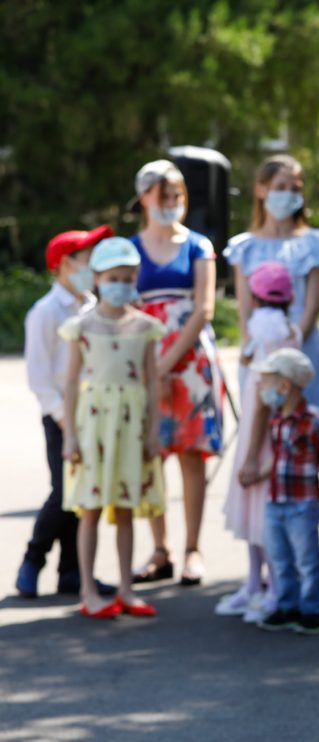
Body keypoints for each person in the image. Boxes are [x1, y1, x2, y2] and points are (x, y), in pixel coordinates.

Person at [60, 237, 165, 618]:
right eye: (112, 278)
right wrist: (70, 436)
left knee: (125, 508)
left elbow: (153, 382)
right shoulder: (82, 326)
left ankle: (126, 588)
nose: (120, 285)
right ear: (97, 279)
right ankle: (88, 590)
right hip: (95, 425)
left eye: (127, 278)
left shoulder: (145, 327)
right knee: (90, 509)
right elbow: (72, 383)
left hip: (131, 427)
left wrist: (153, 431)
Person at [129, 160, 224, 587]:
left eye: (178, 196)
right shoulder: (130, 248)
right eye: (163, 195)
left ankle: (192, 549)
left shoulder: (198, 246)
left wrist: (166, 364)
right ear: (144, 198)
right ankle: (160, 549)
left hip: (189, 363)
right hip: (142, 359)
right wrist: (150, 367)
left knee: (190, 454)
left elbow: (203, 309)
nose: (171, 203)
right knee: (151, 454)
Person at [15, 226, 118, 599]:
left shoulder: (95, 305)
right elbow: (39, 378)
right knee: (64, 492)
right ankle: (33, 559)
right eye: (85, 259)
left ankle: (73, 571)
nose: (92, 266)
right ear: (63, 264)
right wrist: (64, 419)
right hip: (61, 417)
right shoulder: (45, 312)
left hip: (96, 413)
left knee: (87, 494)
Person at [226, 154, 319, 426]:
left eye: (295, 189)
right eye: (280, 187)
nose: (288, 195)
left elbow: (313, 305)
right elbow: (244, 309)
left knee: (305, 427)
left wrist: (291, 344)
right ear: (261, 190)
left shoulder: (315, 244)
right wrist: (255, 347)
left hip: (302, 345)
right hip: (261, 348)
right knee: (260, 426)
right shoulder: (245, 247)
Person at [217, 261, 300, 622]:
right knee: (259, 512)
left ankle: (273, 589)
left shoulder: (265, 332)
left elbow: (265, 401)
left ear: (253, 298)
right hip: (265, 434)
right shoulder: (287, 330)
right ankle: (256, 583)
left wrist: (251, 455)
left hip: (260, 437)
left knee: (260, 512)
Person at [246, 348, 319, 635]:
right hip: (276, 500)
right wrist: (257, 474)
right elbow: (278, 457)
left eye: (266, 382)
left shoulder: (313, 420)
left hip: (302, 503)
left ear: (285, 386)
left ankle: (313, 609)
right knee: (280, 560)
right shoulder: (277, 418)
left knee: (306, 560)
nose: (262, 388)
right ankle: (287, 606)